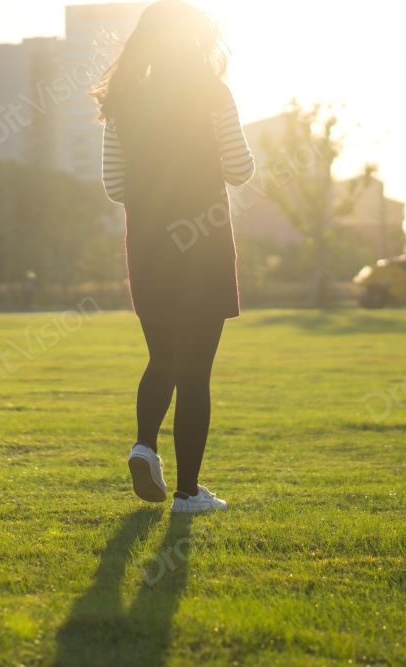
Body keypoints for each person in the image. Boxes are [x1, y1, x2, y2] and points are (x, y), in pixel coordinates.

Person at [90, 0, 255, 513]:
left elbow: (114, 185)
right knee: (195, 372)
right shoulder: (213, 94)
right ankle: (188, 493)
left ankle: (144, 446)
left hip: (150, 249)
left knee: (161, 357)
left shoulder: (121, 103)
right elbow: (240, 169)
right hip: (202, 249)